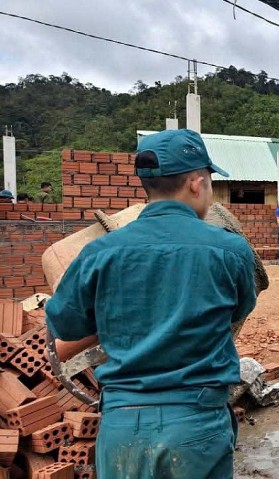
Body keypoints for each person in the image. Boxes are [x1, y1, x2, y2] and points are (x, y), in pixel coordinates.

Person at [44, 129, 257, 479]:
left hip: (123, 428)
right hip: (197, 427)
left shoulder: (100, 253)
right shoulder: (229, 250)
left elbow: (64, 327)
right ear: (195, 182)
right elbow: (238, 310)